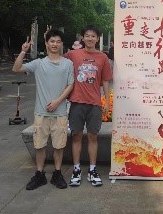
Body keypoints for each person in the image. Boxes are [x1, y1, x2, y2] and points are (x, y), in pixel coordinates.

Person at [12, 30, 74, 191]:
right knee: (39, 145)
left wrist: (58, 101)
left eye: (58, 41)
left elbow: (70, 85)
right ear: (46, 43)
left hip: (60, 112)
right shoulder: (38, 63)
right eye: (52, 41)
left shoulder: (68, 64)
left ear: (62, 44)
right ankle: (39, 174)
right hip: (41, 112)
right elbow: (16, 68)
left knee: (59, 146)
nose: (55, 44)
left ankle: (57, 173)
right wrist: (23, 51)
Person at [64, 25, 112, 187]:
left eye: (93, 36)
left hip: (94, 103)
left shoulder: (103, 57)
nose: (90, 38)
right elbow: (57, 61)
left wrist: (107, 101)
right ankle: (76, 170)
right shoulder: (73, 54)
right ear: (82, 38)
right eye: (87, 36)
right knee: (76, 136)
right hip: (77, 102)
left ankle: (92, 170)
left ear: (97, 39)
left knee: (93, 136)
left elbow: (105, 80)